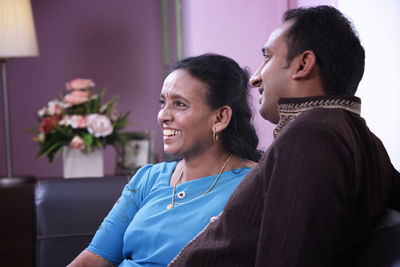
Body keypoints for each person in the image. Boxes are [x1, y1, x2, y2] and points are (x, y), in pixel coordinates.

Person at [168, 5, 400, 267]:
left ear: (303, 64)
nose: (255, 78)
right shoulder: (364, 140)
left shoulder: (311, 135)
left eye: (267, 57)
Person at [67, 54, 262, 266]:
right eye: (163, 102)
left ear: (220, 118)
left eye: (179, 104)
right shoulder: (148, 178)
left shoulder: (254, 185)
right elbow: (94, 258)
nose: (163, 116)